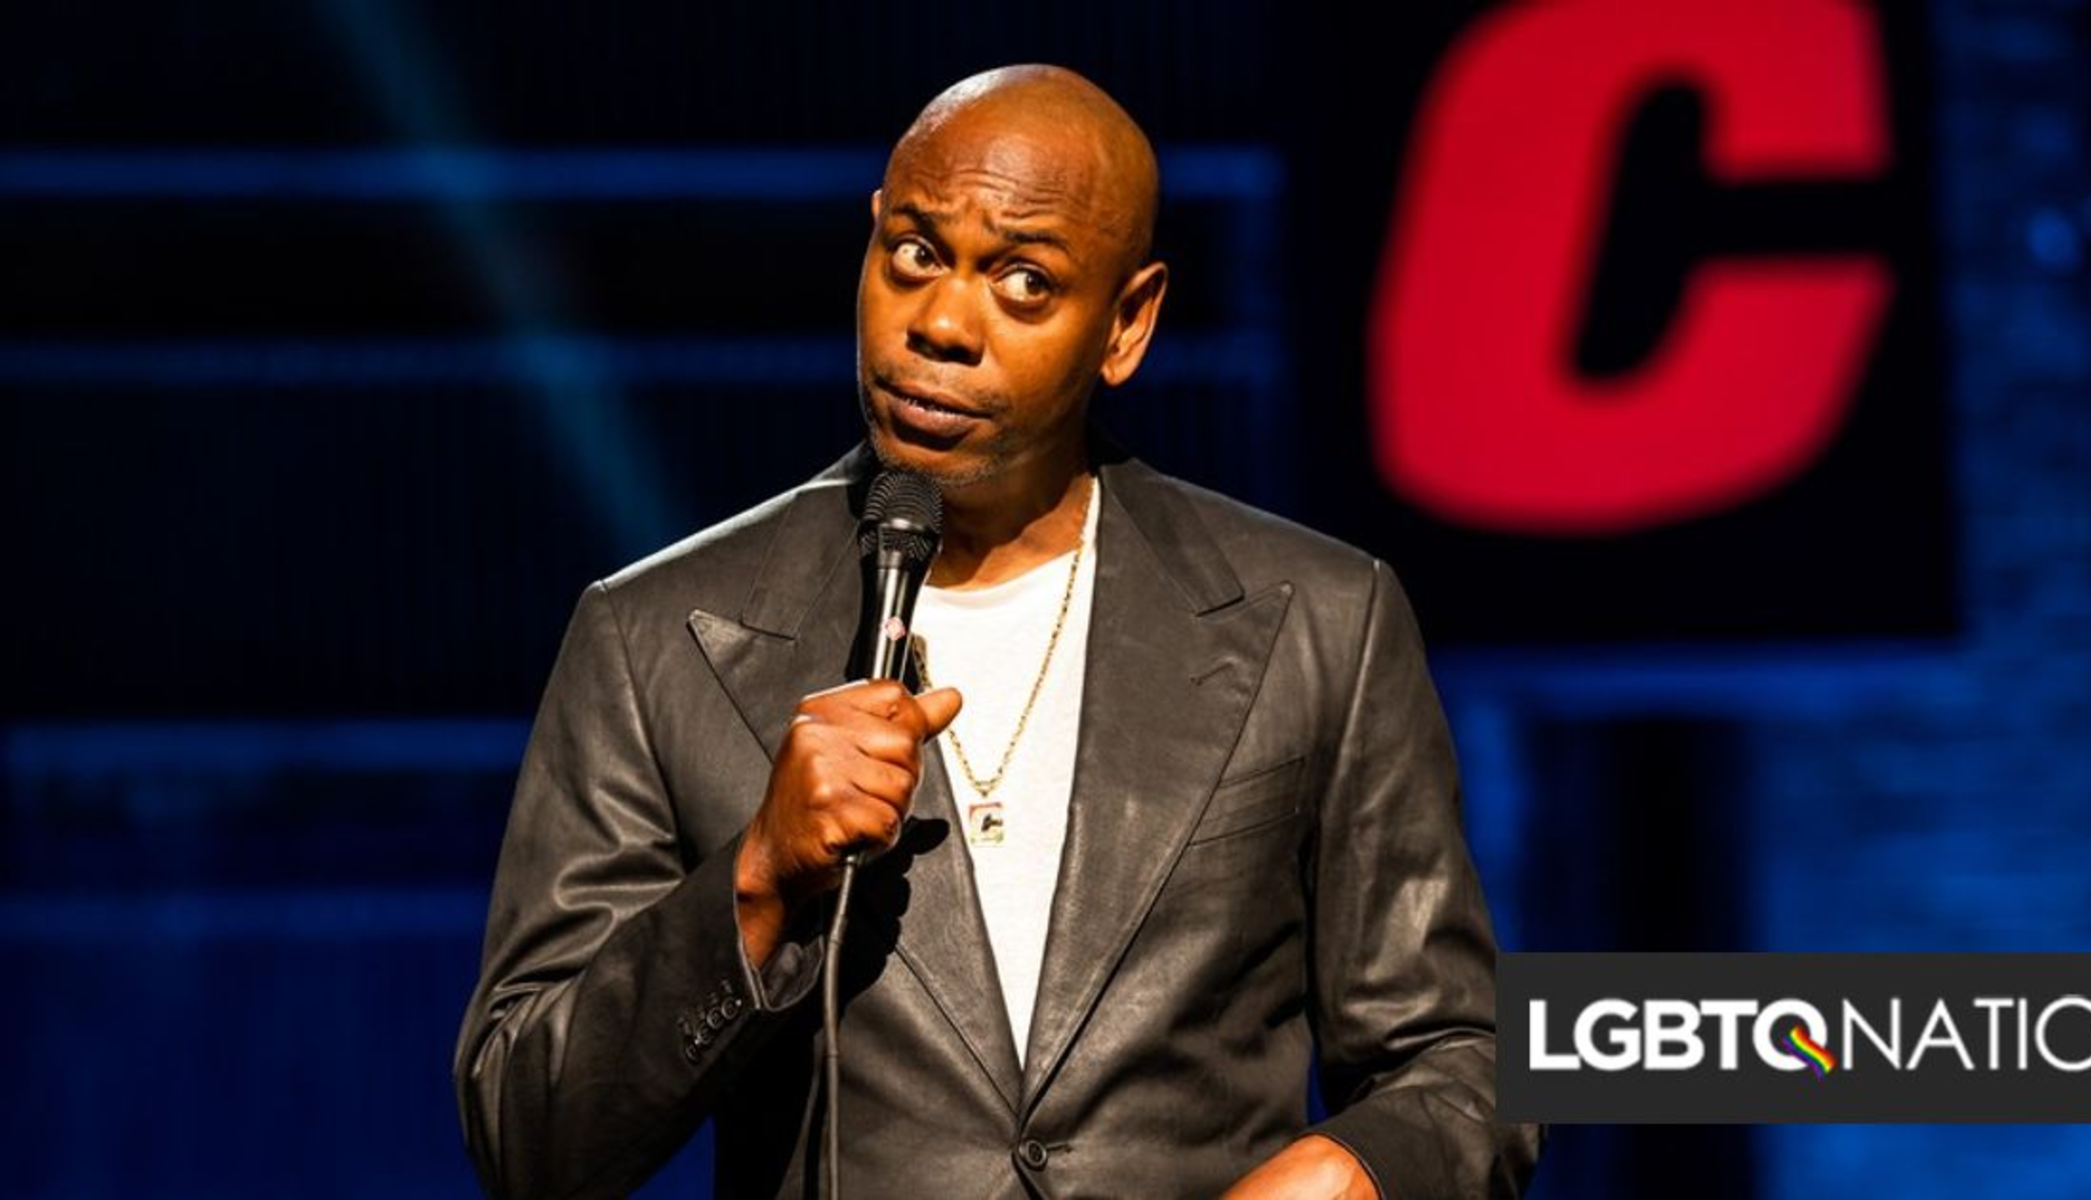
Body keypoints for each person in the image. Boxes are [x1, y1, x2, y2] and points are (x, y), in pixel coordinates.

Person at [454, 64, 1542, 1199]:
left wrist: (1356, 1169)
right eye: (915, 254)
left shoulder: (1321, 620)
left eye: (1025, 282)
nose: (940, 325)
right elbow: (525, 1133)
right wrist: (759, 880)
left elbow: (1469, 1058)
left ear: (1127, 323)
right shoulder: (655, 637)